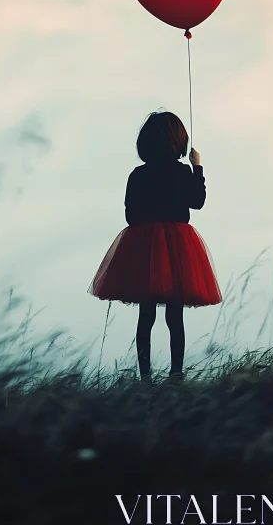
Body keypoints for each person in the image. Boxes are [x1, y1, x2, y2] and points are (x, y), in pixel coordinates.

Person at [88, 110, 222, 380]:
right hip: (177, 245)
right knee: (175, 315)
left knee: (145, 314)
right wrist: (198, 168)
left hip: (144, 245)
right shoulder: (183, 172)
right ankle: (176, 375)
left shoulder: (137, 175)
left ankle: (146, 378)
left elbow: (130, 214)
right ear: (178, 141)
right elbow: (197, 201)